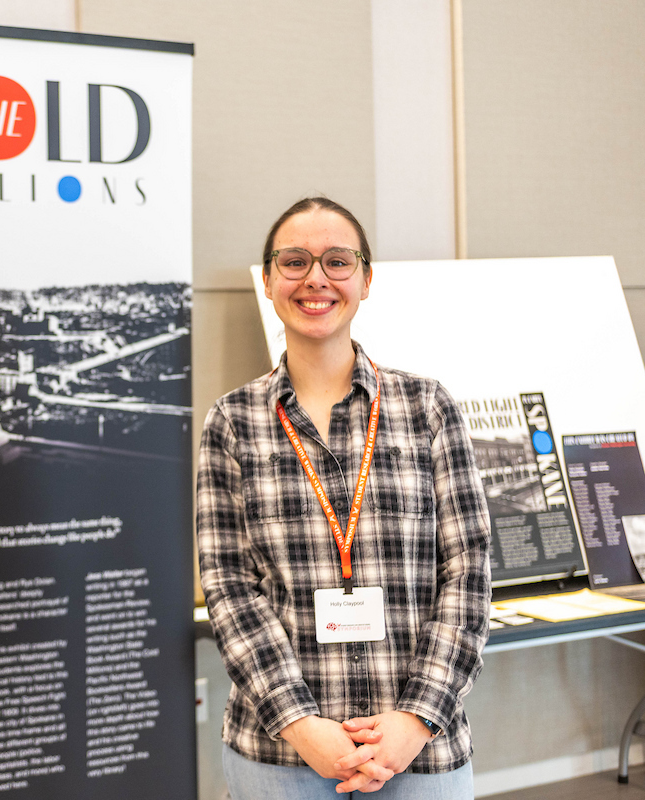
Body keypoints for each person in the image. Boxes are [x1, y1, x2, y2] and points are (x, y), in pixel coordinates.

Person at [197, 197, 490, 797]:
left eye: (337, 261)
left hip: (420, 753)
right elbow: (228, 587)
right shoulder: (232, 421)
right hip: (277, 754)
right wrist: (301, 724)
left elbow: (469, 570)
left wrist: (415, 718)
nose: (316, 280)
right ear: (271, 280)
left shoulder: (426, 408)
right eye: (295, 261)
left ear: (365, 279)